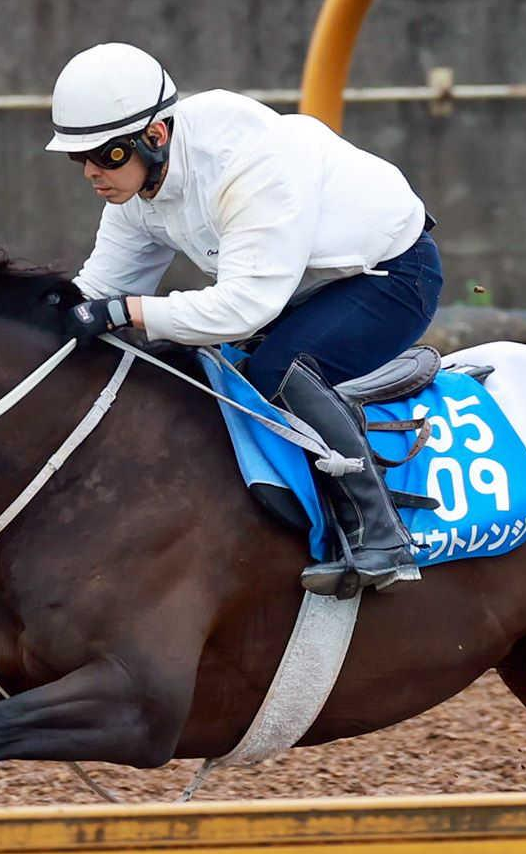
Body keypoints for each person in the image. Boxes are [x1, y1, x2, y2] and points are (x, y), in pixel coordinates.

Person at [47, 42, 444, 596]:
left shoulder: (248, 163)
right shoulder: (136, 187)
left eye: (106, 156)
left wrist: (127, 313)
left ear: (155, 137)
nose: (92, 173)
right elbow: (101, 288)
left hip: (396, 278)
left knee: (280, 371)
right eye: (79, 158)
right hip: (310, 282)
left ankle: (381, 534)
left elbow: (241, 308)